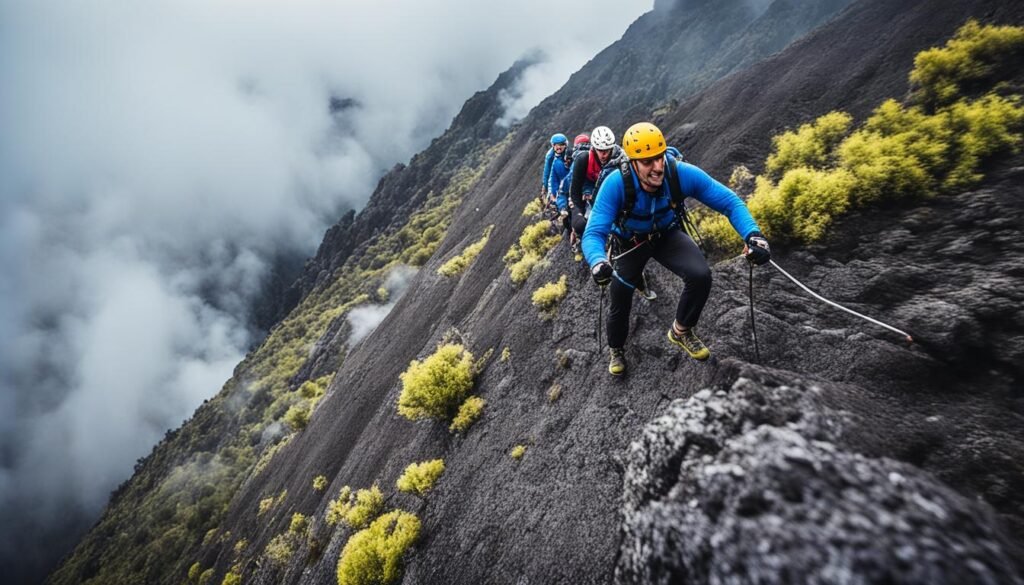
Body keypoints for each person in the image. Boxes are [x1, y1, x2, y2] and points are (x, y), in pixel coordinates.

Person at [582, 122, 771, 375]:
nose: (657, 167)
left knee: (700, 275)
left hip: (666, 234)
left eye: (659, 158)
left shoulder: (678, 173)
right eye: (648, 161)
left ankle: (681, 331)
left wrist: (753, 235)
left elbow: (729, 202)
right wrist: (597, 261)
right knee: (620, 300)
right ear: (633, 162)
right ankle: (616, 349)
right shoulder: (616, 184)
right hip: (630, 243)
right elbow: (594, 232)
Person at [561, 126, 625, 262]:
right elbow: (575, 190)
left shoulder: (622, 159)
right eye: (600, 151)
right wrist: (577, 212)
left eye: (607, 151)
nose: (603, 155)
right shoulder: (583, 159)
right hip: (593, 199)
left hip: (614, 197)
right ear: (593, 148)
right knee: (582, 225)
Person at [540, 133, 568, 207]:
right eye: (556, 145)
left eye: (561, 144)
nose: (558, 147)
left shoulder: (569, 153)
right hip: (556, 181)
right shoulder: (550, 157)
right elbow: (547, 173)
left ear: (565, 145)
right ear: (553, 145)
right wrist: (546, 188)